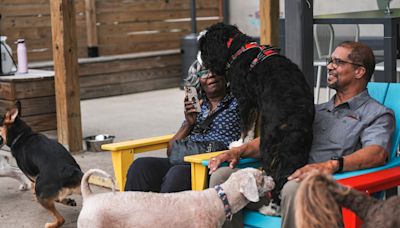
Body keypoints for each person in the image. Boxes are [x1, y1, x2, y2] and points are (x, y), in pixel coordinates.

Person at [207, 41, 395, 228]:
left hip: (328, 191)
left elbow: (376, 153)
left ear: (359, 72)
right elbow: (276, 138)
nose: (329, 66)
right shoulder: (314, 110)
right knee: (223, 177)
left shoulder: (377, 114)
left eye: (338, 62)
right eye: (330, 61)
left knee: (294, 187)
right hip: (282, 184)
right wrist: (239, 151)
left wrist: (328, 167)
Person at [124, 60, 241, 193]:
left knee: (177, 173)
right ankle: (130, 212)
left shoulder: (238, 102)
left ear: (225, 74)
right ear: (198, 81)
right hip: (185, 160)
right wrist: (188, 123)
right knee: (140, 166)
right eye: (204, 73)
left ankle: (163, 213)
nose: (210, 75)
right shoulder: (198, 106)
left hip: (212, 165)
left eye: (215, 70)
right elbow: (171, 152)